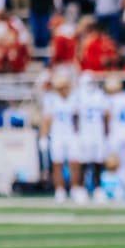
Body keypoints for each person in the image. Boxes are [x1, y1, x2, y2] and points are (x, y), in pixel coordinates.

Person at [41, 74, 80, 202]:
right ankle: (60, 190)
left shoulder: (74, 98)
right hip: (57, 134)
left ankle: (75, 189)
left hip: (71, 134)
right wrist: (44, 136)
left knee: (74, 162)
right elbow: (47, 120)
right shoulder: (51, 99)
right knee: (57, 164)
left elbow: (77, 118)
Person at [103, 75, 125, 200]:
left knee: (115, 163)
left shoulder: (110, 99)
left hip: (115, 132)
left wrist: (106, 133)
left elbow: (107, 118)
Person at [76, 73, 108, 203]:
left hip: (97, 133)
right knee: (83, 163)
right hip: (85, 133)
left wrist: (106, 132)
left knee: (98, 162)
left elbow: (105, 115)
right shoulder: (78, 96)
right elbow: (75, 116)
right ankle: (81, 189)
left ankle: (98, 189)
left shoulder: (99, 95)